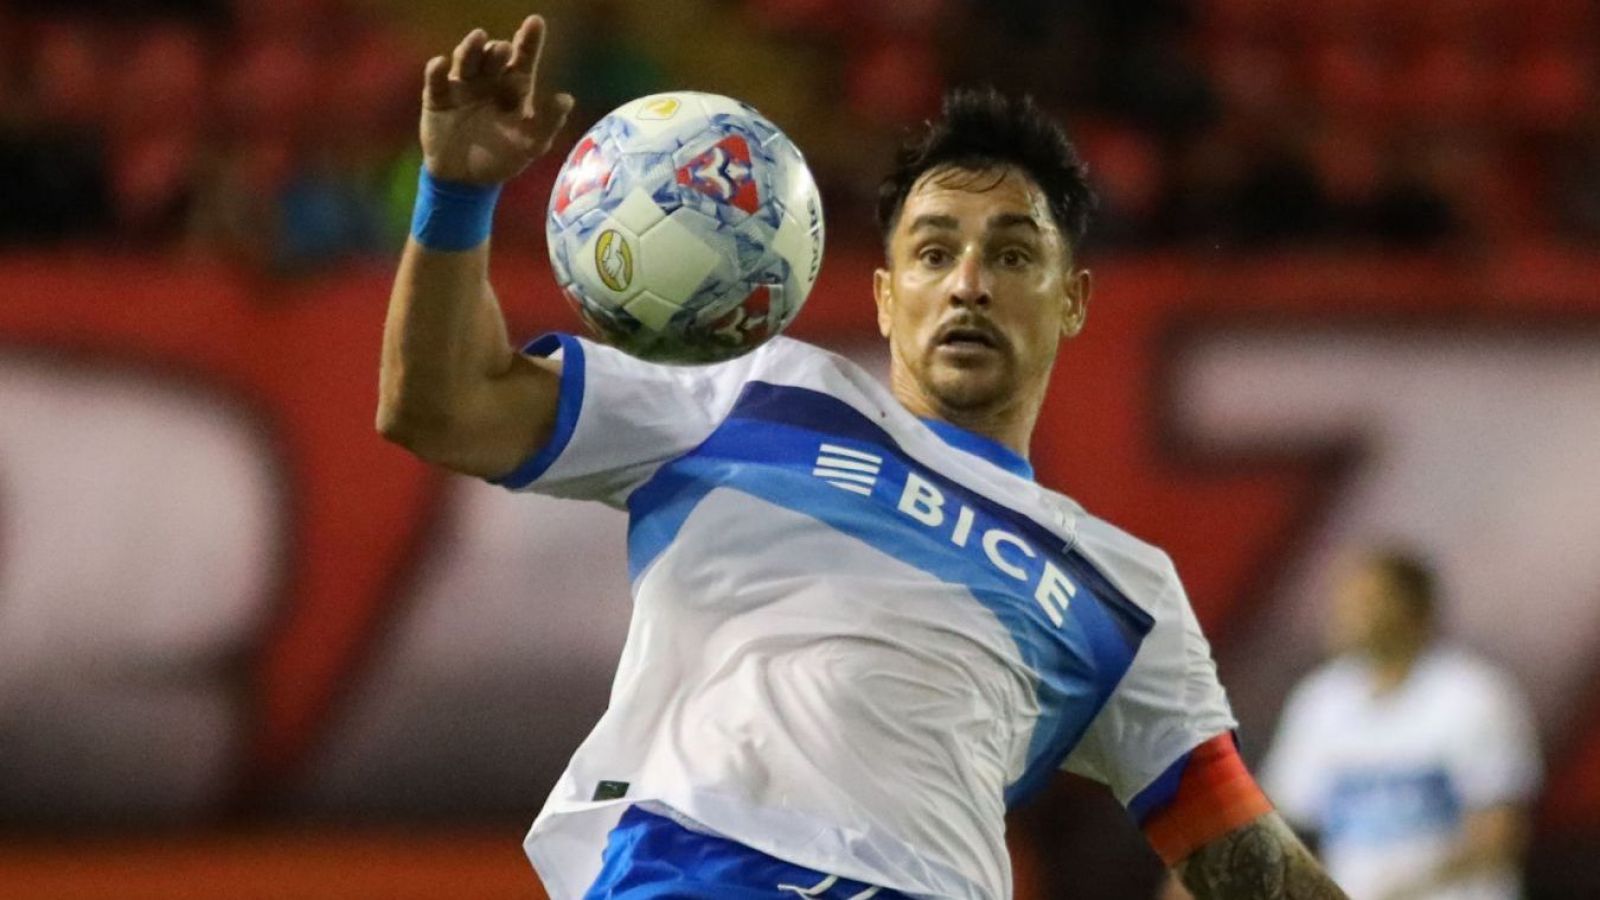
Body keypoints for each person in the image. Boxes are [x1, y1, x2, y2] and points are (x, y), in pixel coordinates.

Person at [377, 15, 1348, 900]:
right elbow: (442, 407)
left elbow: (1236, 853)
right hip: (701, 870)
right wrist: (457, 194)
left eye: (1013, 256)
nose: (968, 284)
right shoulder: (751, 392)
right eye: (933, 253)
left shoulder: (1127, 590)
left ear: (1073, 299)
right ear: (885, 298)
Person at [1260, 549, 1541, 900]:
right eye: (1344, 600)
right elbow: (1286, 823)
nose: (1346, 613)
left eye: (1367, 600)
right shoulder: (1320, 702)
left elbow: (1501, 832)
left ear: (1414, 609)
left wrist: (1404, 888)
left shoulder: (1472, 695)